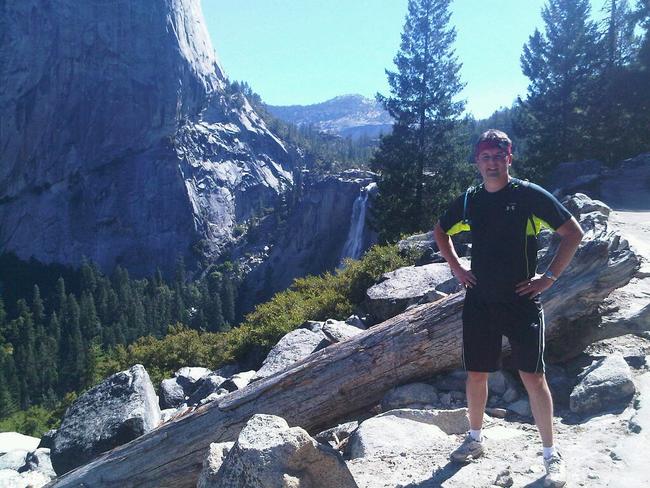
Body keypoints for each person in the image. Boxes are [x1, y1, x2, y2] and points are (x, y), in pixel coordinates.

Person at [433, 129, 583, 488]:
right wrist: (456, 268)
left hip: (521, 301)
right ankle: (474, 439)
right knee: (477, 374)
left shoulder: (529, 195)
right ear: (477, 162)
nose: (492, 163)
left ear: (509, 159)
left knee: (534, 377)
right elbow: (440, 231)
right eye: (486, 157)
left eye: (498, 157)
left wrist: (549, 278)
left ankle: (551, 455)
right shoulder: (470, 200)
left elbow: (573, 233)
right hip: (480, 300)